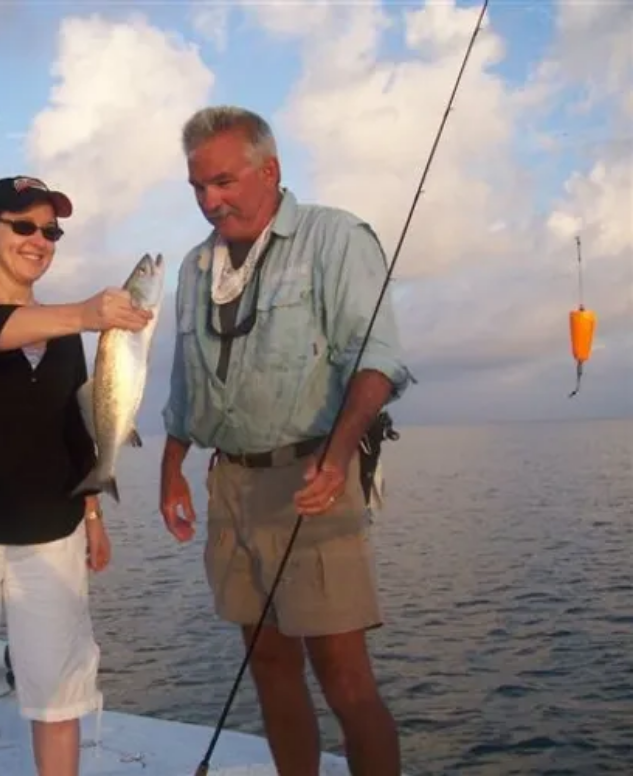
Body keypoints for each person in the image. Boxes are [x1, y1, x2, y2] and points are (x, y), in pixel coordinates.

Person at [159, 106, 414, 776]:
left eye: (223, 182)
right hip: (229, 481)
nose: (209, 201)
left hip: (310, 477)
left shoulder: (335, 238)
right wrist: (171, 467)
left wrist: (337, 456)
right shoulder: (194, 267)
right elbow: (185, 382)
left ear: (269, 170)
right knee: (268, 661)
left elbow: (378, 359)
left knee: (343, 675)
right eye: (197, 187)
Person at [0, 174, 152, 776]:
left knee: (59, 698)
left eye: (51, 231)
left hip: (51, 532)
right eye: (24, 227)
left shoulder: (64, 334)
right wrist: (85, 314)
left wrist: (93, 513)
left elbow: (78, 427)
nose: (40, 240)